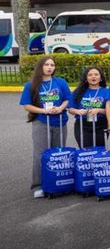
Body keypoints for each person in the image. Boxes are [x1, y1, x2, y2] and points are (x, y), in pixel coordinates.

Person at [20, 56, 72, 198]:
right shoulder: (30, 85)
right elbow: (26, 105)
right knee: (41, 154)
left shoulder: (60, 82)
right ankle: (38, 185)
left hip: (60, 121)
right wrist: (44, 111)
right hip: (41, 122)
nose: (50, 67)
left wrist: (60, 108)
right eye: (47, 65)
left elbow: (68, 99)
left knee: (58, 154)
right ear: (40, 67)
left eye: (52, 65)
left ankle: (59, 182)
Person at [68, 67, 109, 149]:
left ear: (101, 78)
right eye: (90, 75)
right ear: (86, 79)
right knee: (85, 151)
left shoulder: (106, 92)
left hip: (101, 125)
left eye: (96, 74)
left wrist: (99, 110)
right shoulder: (78, 91)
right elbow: (70, 109)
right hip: (82, 125)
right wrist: (77, 111)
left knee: (99, 152)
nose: (93, 77)